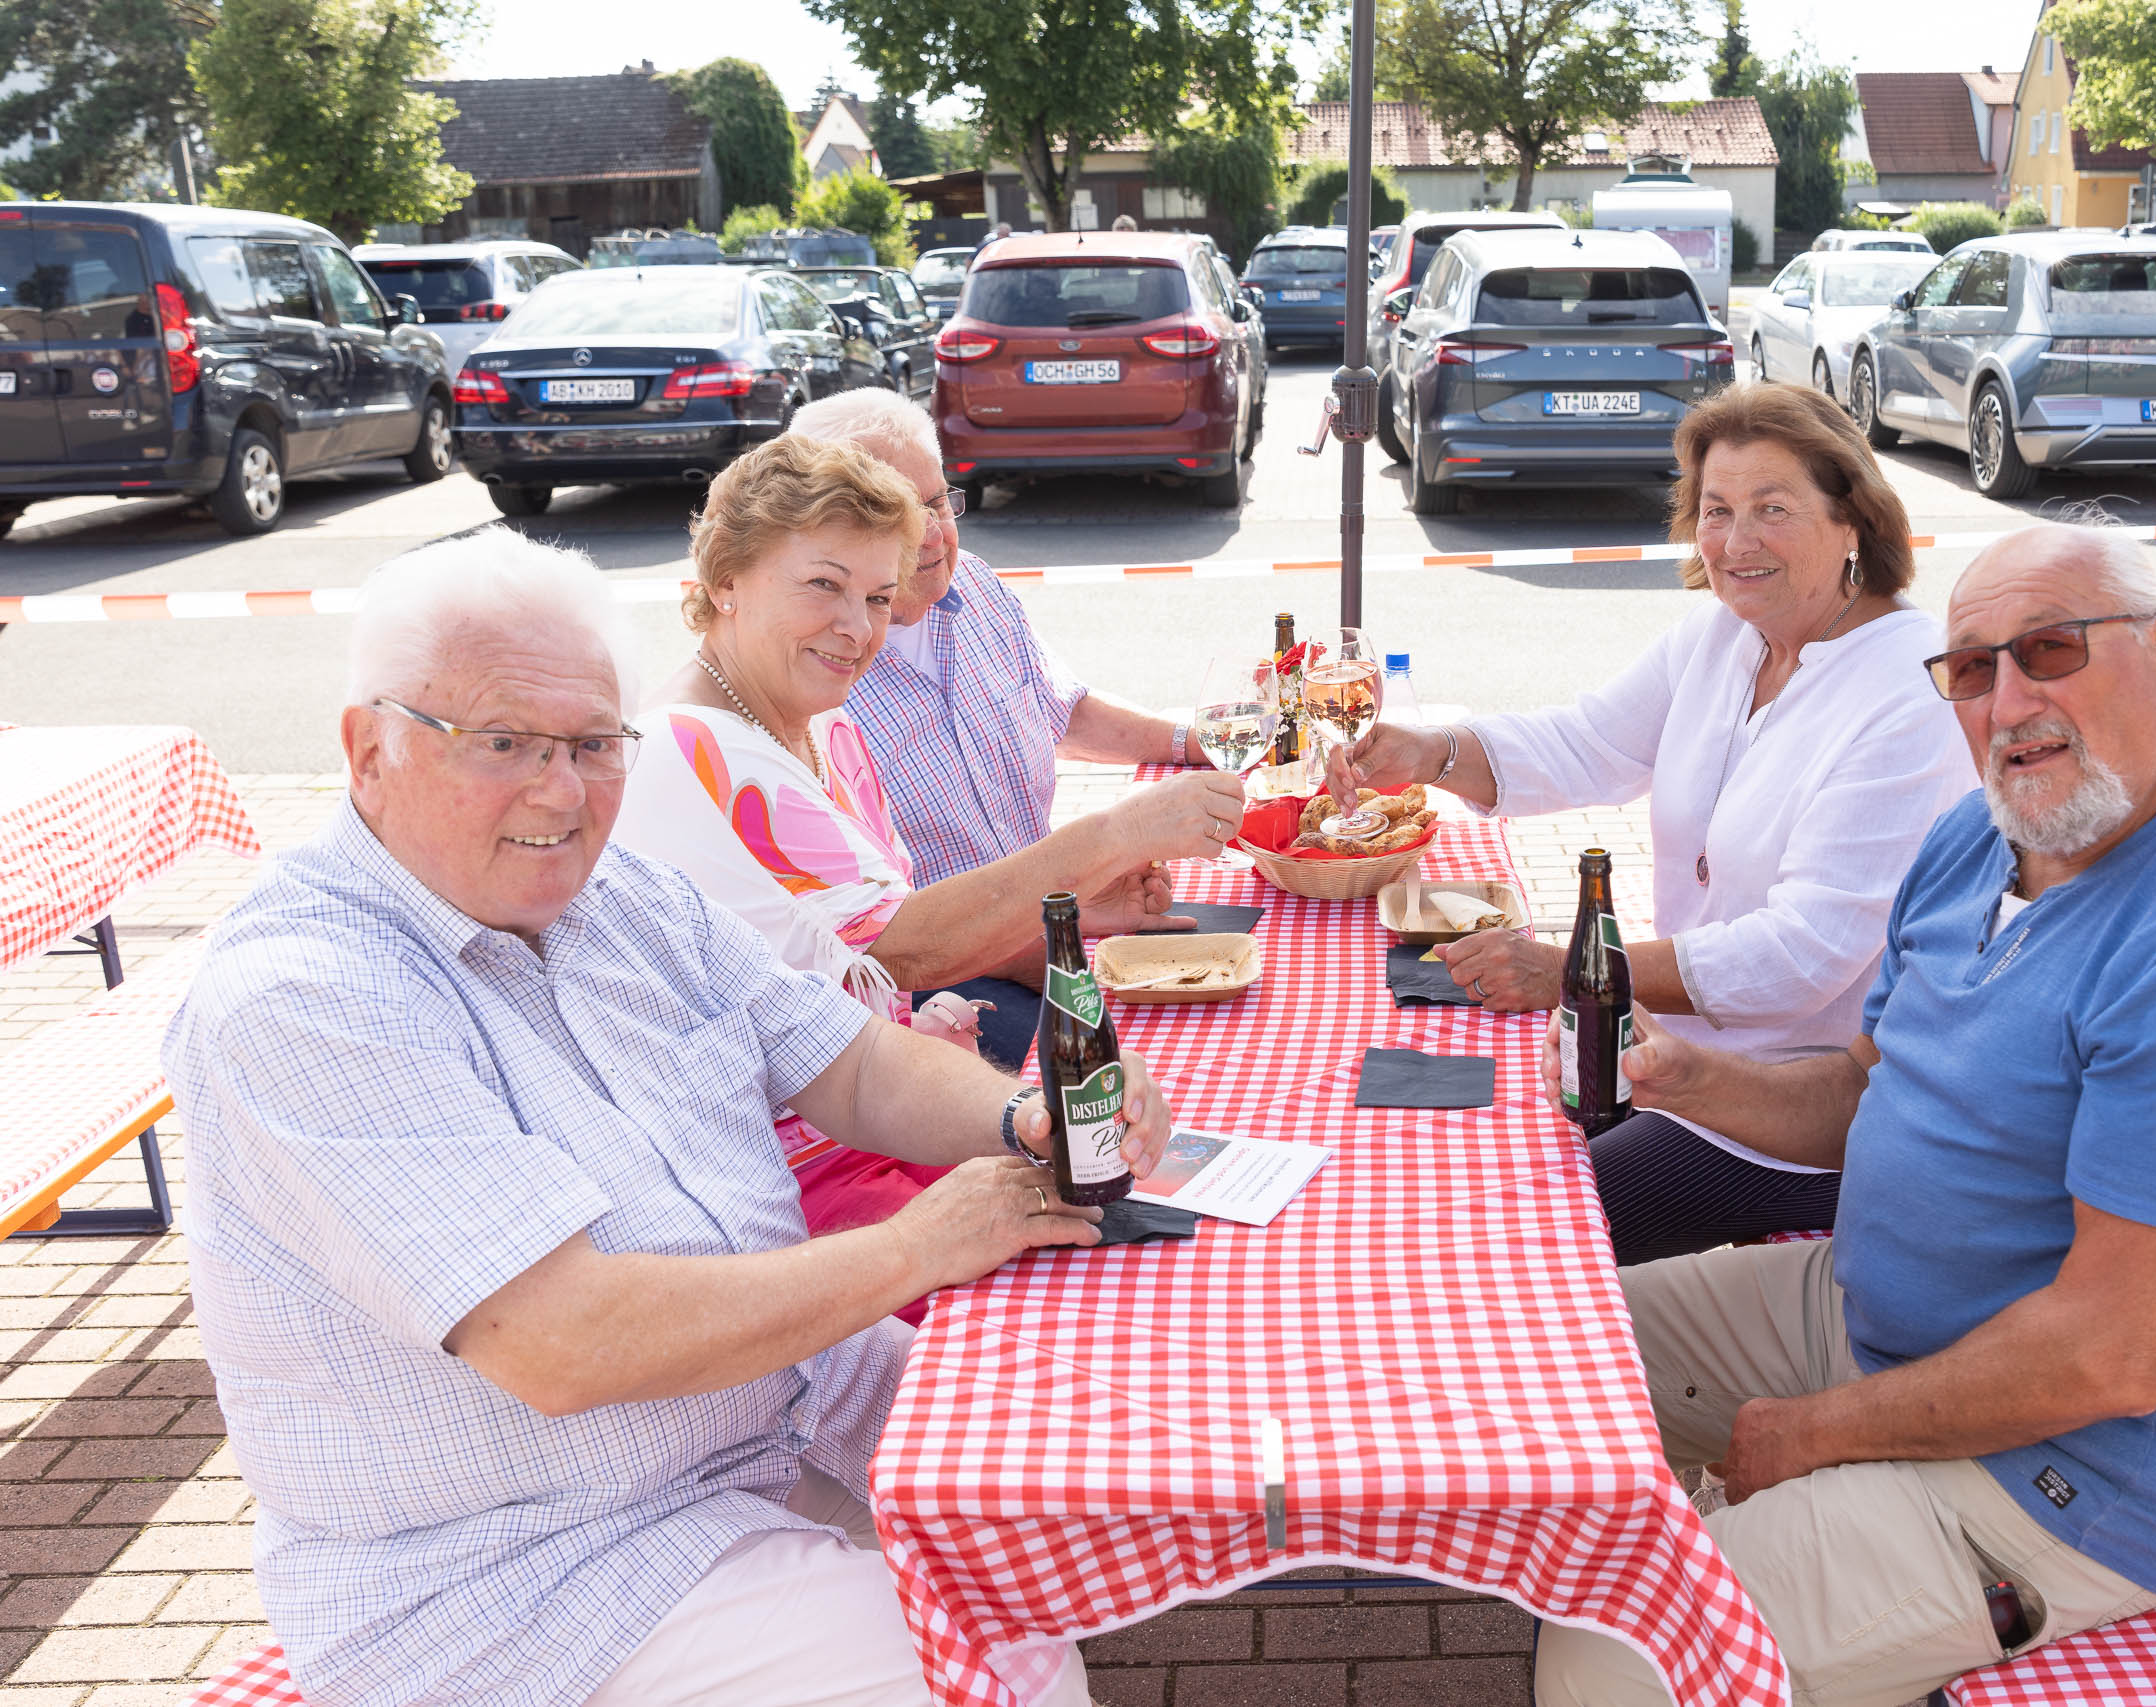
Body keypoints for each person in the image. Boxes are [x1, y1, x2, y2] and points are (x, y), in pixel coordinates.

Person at [164, 529, 1173, 1707]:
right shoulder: (308, 997)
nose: (561, 789)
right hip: (530, 1574)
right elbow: (563, 1342)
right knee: (1000, 1666)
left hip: (768, 1417)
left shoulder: (619, 895)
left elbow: (847, 1063)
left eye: (595, 745)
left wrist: (1029, 1118)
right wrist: (921, 1246)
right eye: (505, 742)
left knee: (1081, 1459)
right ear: (367, 751)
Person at [1531, 524, 2156, 1707]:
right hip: (1871, 1310)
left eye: (2049, 649)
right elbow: (1862, 1091)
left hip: (2066, 1477)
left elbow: (2110, 1355)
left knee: (1619, 1662)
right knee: (1539, 1356)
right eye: (1972, 670)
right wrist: (1673, 1074)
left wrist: (1817, 1435)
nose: (2010, 699)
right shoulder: (1979, 840)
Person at [1337, 384, 1975, 1261]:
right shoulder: (1725, 636)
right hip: (1668, 1059)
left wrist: (1578, 969)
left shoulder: (1908, 689)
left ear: (1852, 520)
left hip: (1786, 1114)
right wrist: (1431, 751)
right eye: (1716, 510)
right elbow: (1587, 740)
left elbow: (1801, 954)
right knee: (1437, 1146)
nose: (1736, 541)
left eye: (1772, 509)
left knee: (1515, 1225)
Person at [613, 434, 1242, 1216]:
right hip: (787, 1186)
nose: (857, 628)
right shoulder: (696, 748)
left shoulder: (820, 725)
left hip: (880, 1128)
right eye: (823, 584)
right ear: (725, 580)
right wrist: (1119, 831)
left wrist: (1071, 912)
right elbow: (908, 946)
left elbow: (863, 963)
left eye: (879, 597)